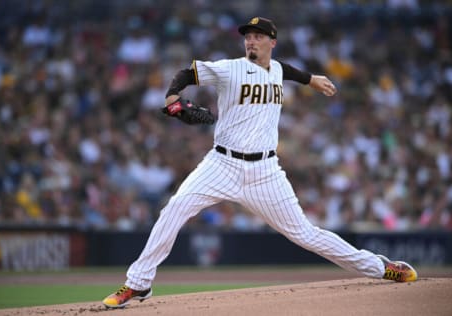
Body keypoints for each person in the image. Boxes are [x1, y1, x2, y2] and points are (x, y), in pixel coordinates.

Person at [102, 17, 417, 309]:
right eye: (247, 37)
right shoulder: (230, 68)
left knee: (306, 235)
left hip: (265, 172)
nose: (250, 41)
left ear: (272, 42)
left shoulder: (277, 70)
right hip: (221, 164)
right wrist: (173, 95)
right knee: (174, 208)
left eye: (257, 37)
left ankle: (380, 267)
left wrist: (311, 79)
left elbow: (285, 71)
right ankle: (139, 283)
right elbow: (187, 73)